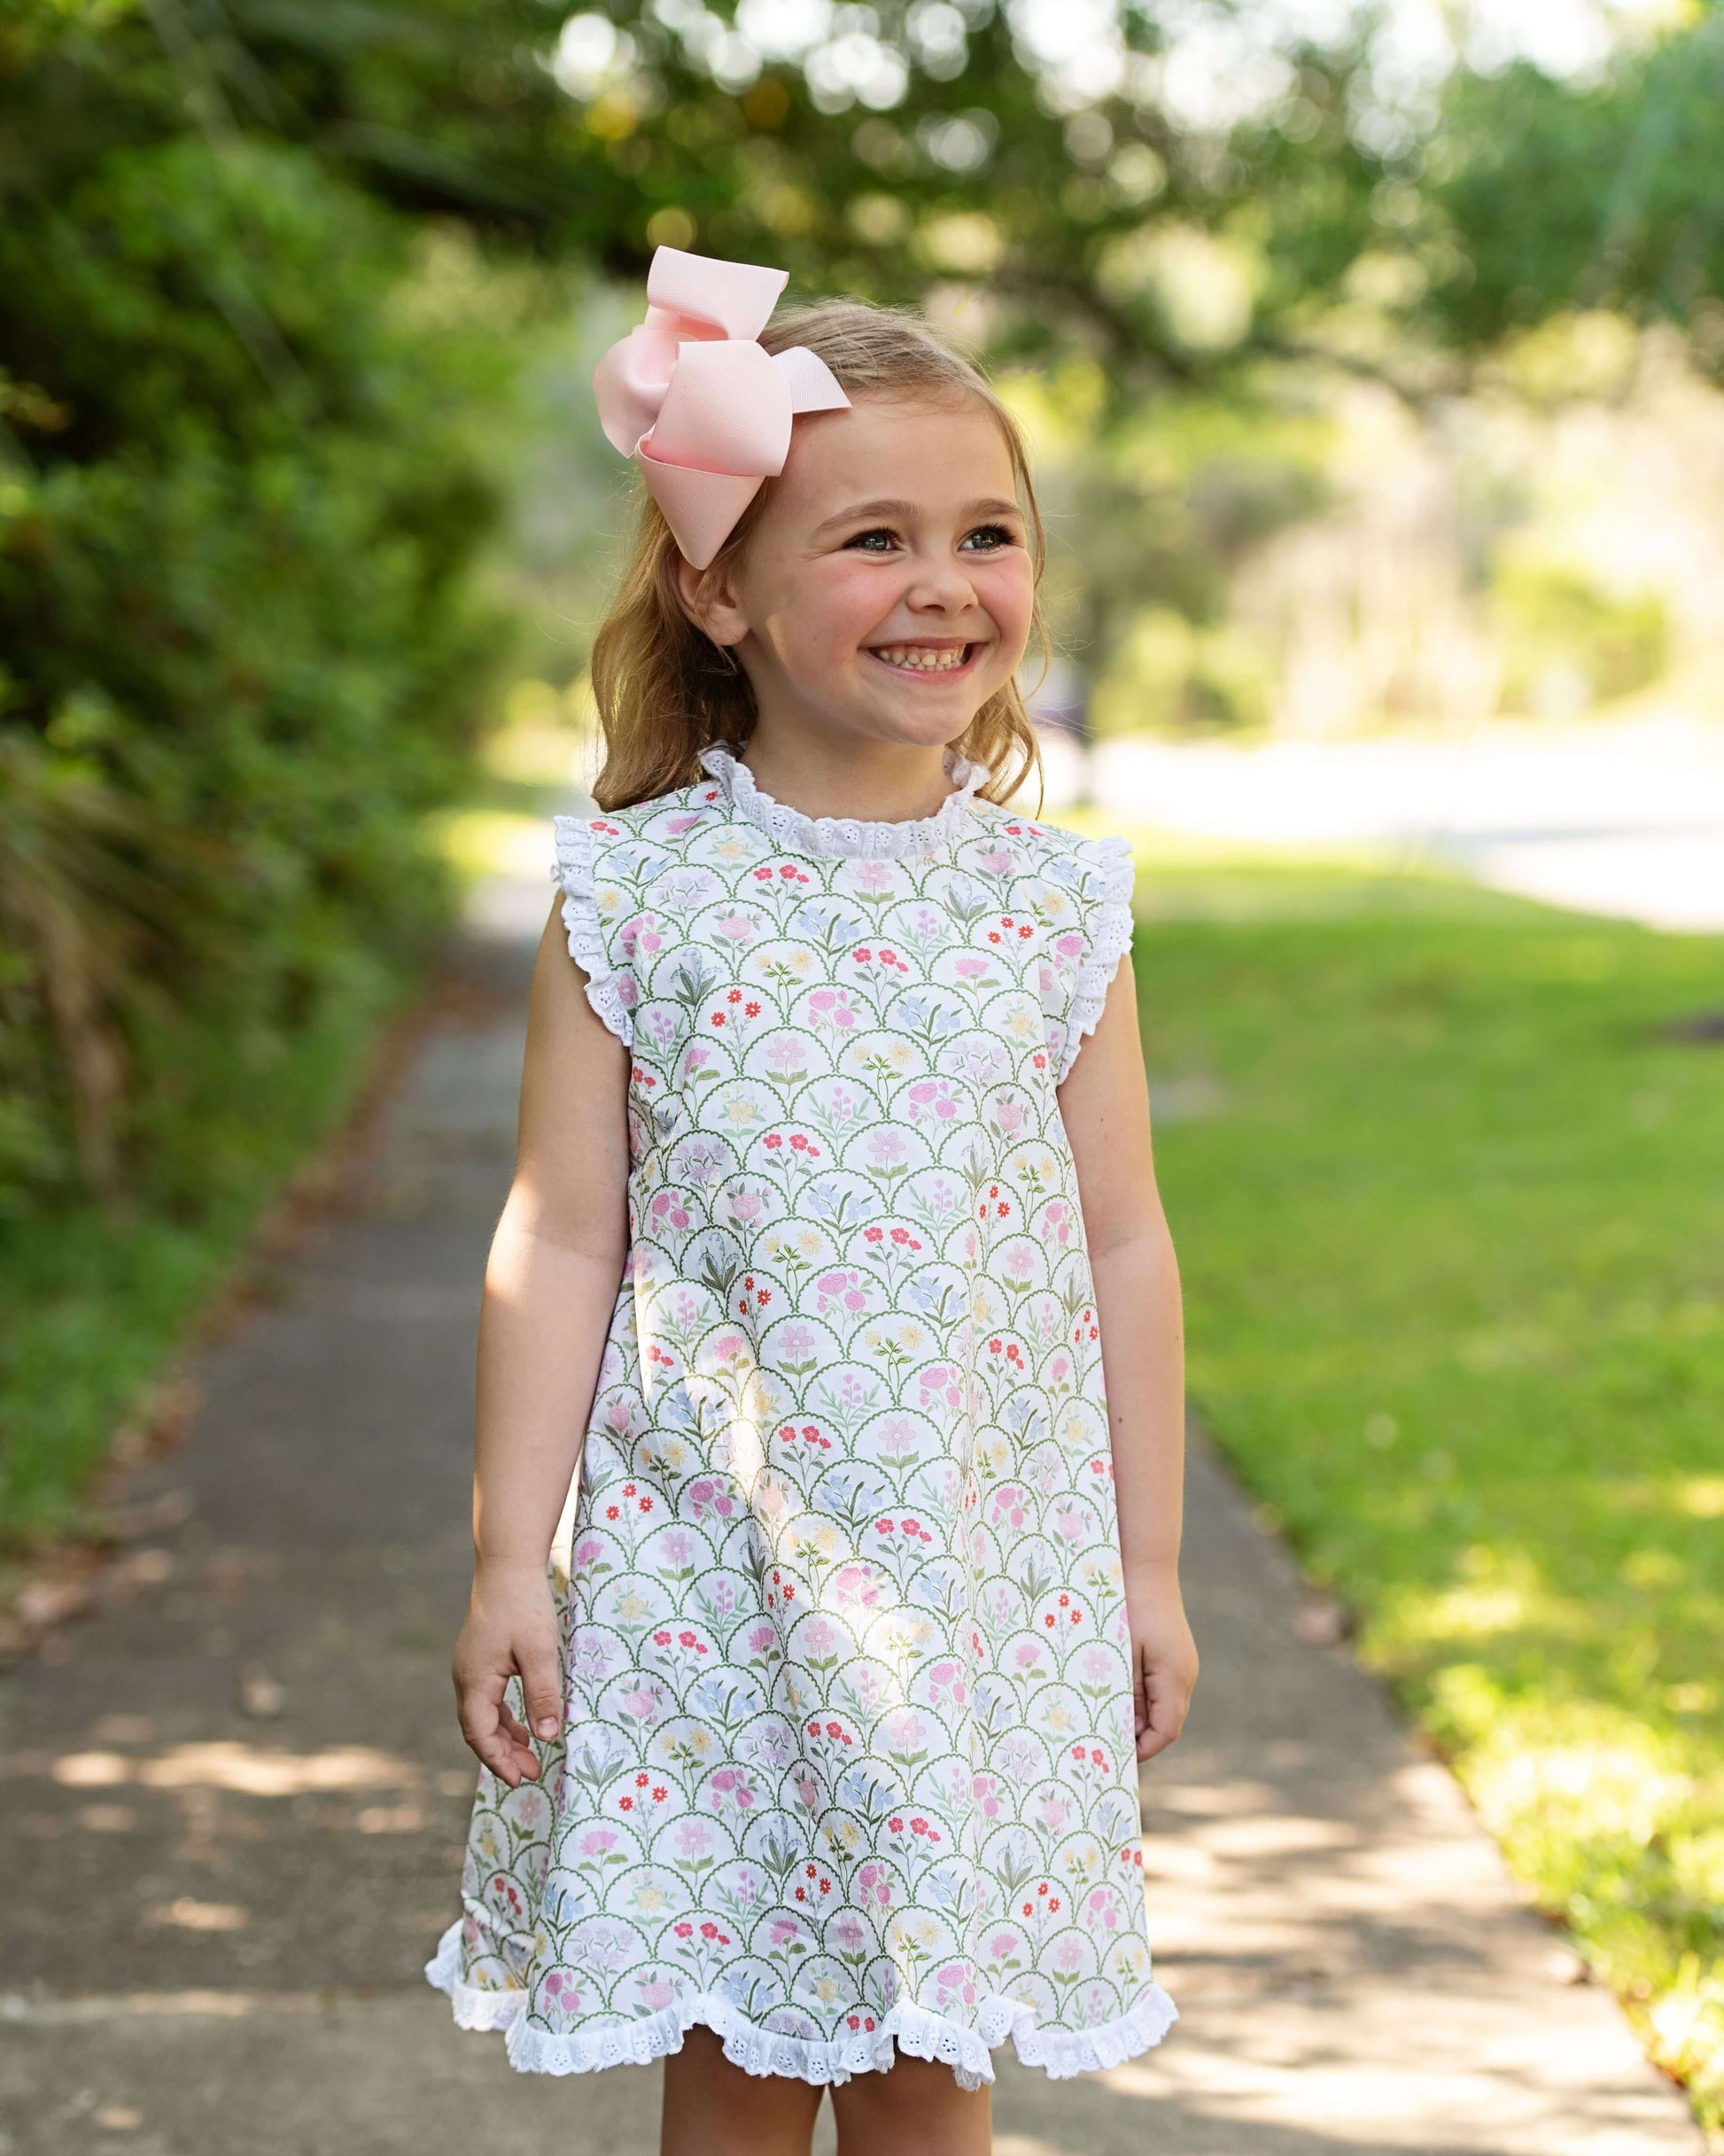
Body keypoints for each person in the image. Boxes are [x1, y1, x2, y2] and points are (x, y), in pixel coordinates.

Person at [426, 247, 1198, 2155]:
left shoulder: (1050, 907)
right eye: (871, 537)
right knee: (741, 2037)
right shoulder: (638, 896)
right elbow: (564, 1231)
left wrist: (1149, 1560)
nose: (943, 583)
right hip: (713, 1574)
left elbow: (1121, 1240)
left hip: (974, 1571)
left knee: (940, 2043)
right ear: (721, 589)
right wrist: (510, 1551)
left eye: (986, 532)